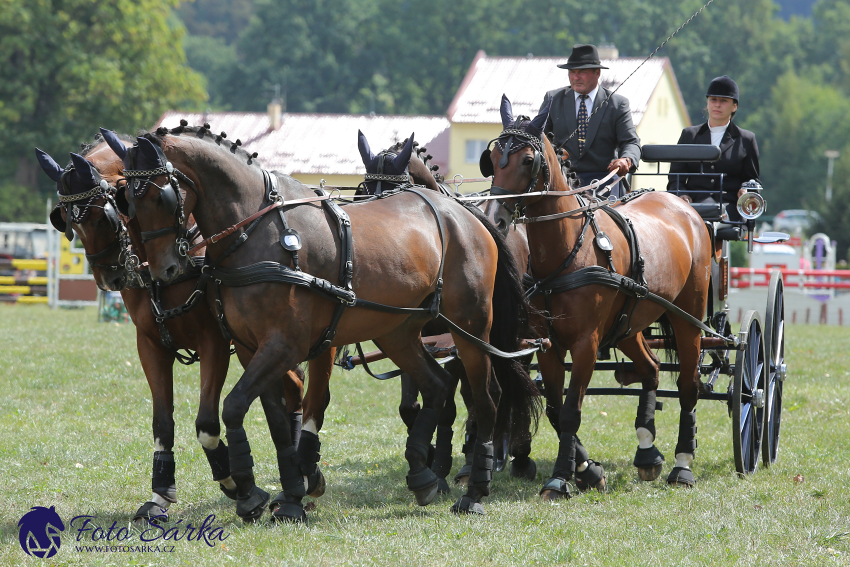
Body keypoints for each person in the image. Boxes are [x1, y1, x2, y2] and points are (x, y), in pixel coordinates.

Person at [539, 44, 641, 198]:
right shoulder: (553, 99)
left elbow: (631, 142)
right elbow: (537, 137)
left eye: (582, 72)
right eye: (572, 72)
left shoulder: (617, 104)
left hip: (604, 181)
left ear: (597, 73)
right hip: (560, 182)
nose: (576, 77)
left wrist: (626, 160)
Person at [667, 75, 760, 221]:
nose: (717, 105)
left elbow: (752, 179)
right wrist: (682, 194)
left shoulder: (746, 139)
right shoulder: (689, 135)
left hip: (730, 205)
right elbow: (675, 177)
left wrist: (746, 190)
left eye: (723, 101)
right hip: (693, 204)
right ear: (707, 103)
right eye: (713, 100)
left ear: (734, 106)